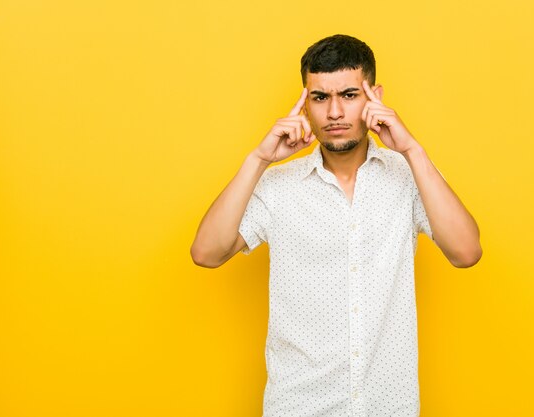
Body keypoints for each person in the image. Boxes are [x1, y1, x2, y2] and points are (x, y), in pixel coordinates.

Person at [191, 34, 482, 417]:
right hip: (298, 406)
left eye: (348, 95)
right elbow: (206, 253)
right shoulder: (278, 186)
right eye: (320, 97)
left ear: (374, 97)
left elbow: (466, 252)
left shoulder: (410, 176)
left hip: (388, 407)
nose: (333, 114)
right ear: (305, 103)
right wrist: (259, 159)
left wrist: (413, 151)